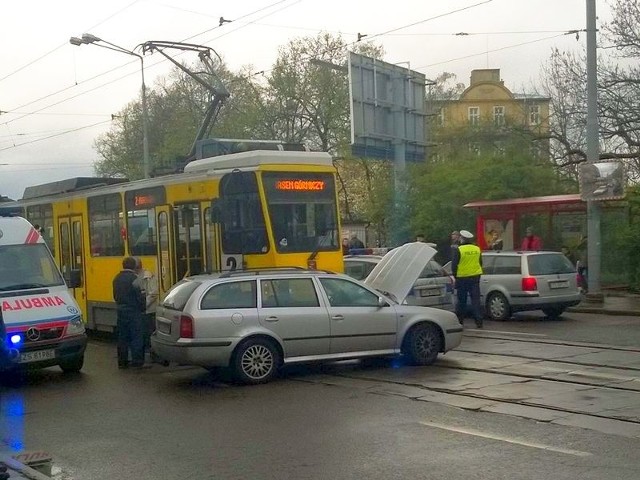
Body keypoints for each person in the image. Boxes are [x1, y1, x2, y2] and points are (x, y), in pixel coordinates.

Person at [113, 256, 147, 369]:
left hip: (121, 310)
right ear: (134, 266)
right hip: (134, 311)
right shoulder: (135, 279)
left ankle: (122, 362)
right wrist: (143, 309)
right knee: (136, 336)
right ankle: (137, 361)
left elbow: (115, 296)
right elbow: (140, 296)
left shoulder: (116, 278)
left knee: (122, 337)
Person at [451, 229, 484, 328]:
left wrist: (456, 276)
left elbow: (454, 265)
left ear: (462, 239)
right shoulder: (477, 249)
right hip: (475, 278)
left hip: (462, 278)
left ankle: (460, 321)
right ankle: (479, 321)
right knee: (476, 300)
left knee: (462, 301)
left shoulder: (459, 250)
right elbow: (480, 263)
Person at [133, 258, 159, 358]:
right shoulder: (135, 276)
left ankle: (154, 354)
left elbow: (154, 293)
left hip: (149, 310)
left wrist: (144, 303)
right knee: (144, 333)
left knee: (149, 332)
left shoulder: (148, 276)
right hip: (142, 310)